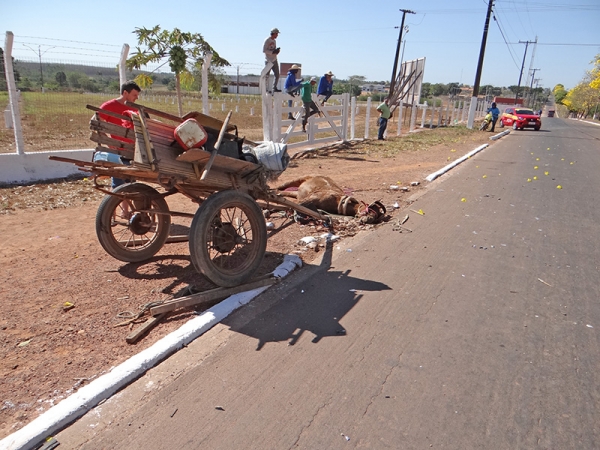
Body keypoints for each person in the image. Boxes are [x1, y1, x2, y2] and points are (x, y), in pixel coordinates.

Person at [98, 80, 141, 189]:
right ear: (125, 93)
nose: (137, 98)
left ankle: (127, 206)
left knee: (130, 182)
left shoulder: (135, 108)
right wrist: (109, 141)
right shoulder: (108, 106)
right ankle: (116, 204)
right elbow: (97, 124)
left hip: (131, 151)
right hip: (117, 151)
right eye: (134, 95)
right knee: (118, 184)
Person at [263, 28, 281, 93]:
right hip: (268, 60)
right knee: (267, 75)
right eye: (276, 34)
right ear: (274, 33)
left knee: (277, 75)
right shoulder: (267, 40)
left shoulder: (274, 41)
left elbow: (273, 49)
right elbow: (264, 50)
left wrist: (276, 51)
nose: (277, 35)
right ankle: (266, 89)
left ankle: (274, 88)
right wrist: (272, 52)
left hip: (274, 59)